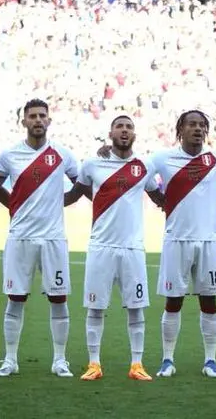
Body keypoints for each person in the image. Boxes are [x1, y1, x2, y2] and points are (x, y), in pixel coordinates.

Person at [100, 110, 216, 378]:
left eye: (202, 125)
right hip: (176, 240)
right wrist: (110, 151)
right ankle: (167, 360)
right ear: (180, 130)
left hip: (208, 241)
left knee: (209, 302)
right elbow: (135, 170)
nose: (197, 129)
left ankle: (210, 361)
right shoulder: (162, 158)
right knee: (173, 301)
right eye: (192, 124)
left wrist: (210, 199)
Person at [0, 99, 80, 378]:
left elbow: (81, 185)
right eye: (32, 116)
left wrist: (61, 203)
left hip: (53, 238)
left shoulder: (63, 154)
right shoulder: (9, 154)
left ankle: (60, 360)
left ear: (49, 121)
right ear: (23, 121)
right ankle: (10, 360)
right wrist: (13, 204)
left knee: (59, 298)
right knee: (15, 298)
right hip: (20, 237)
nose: (37, 120)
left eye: (42, 116)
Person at [64, 115, 165, 381]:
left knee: (136, 307)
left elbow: (159, 197)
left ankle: (137, 364)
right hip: (101, 247)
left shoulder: (145, 166)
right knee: (95, 308)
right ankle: (94, 364)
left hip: (133, 248)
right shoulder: (92, 164)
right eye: (119, 126)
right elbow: (76, 193)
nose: (124, 130)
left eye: (129, 127)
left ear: (135, 134)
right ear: (110, 133)